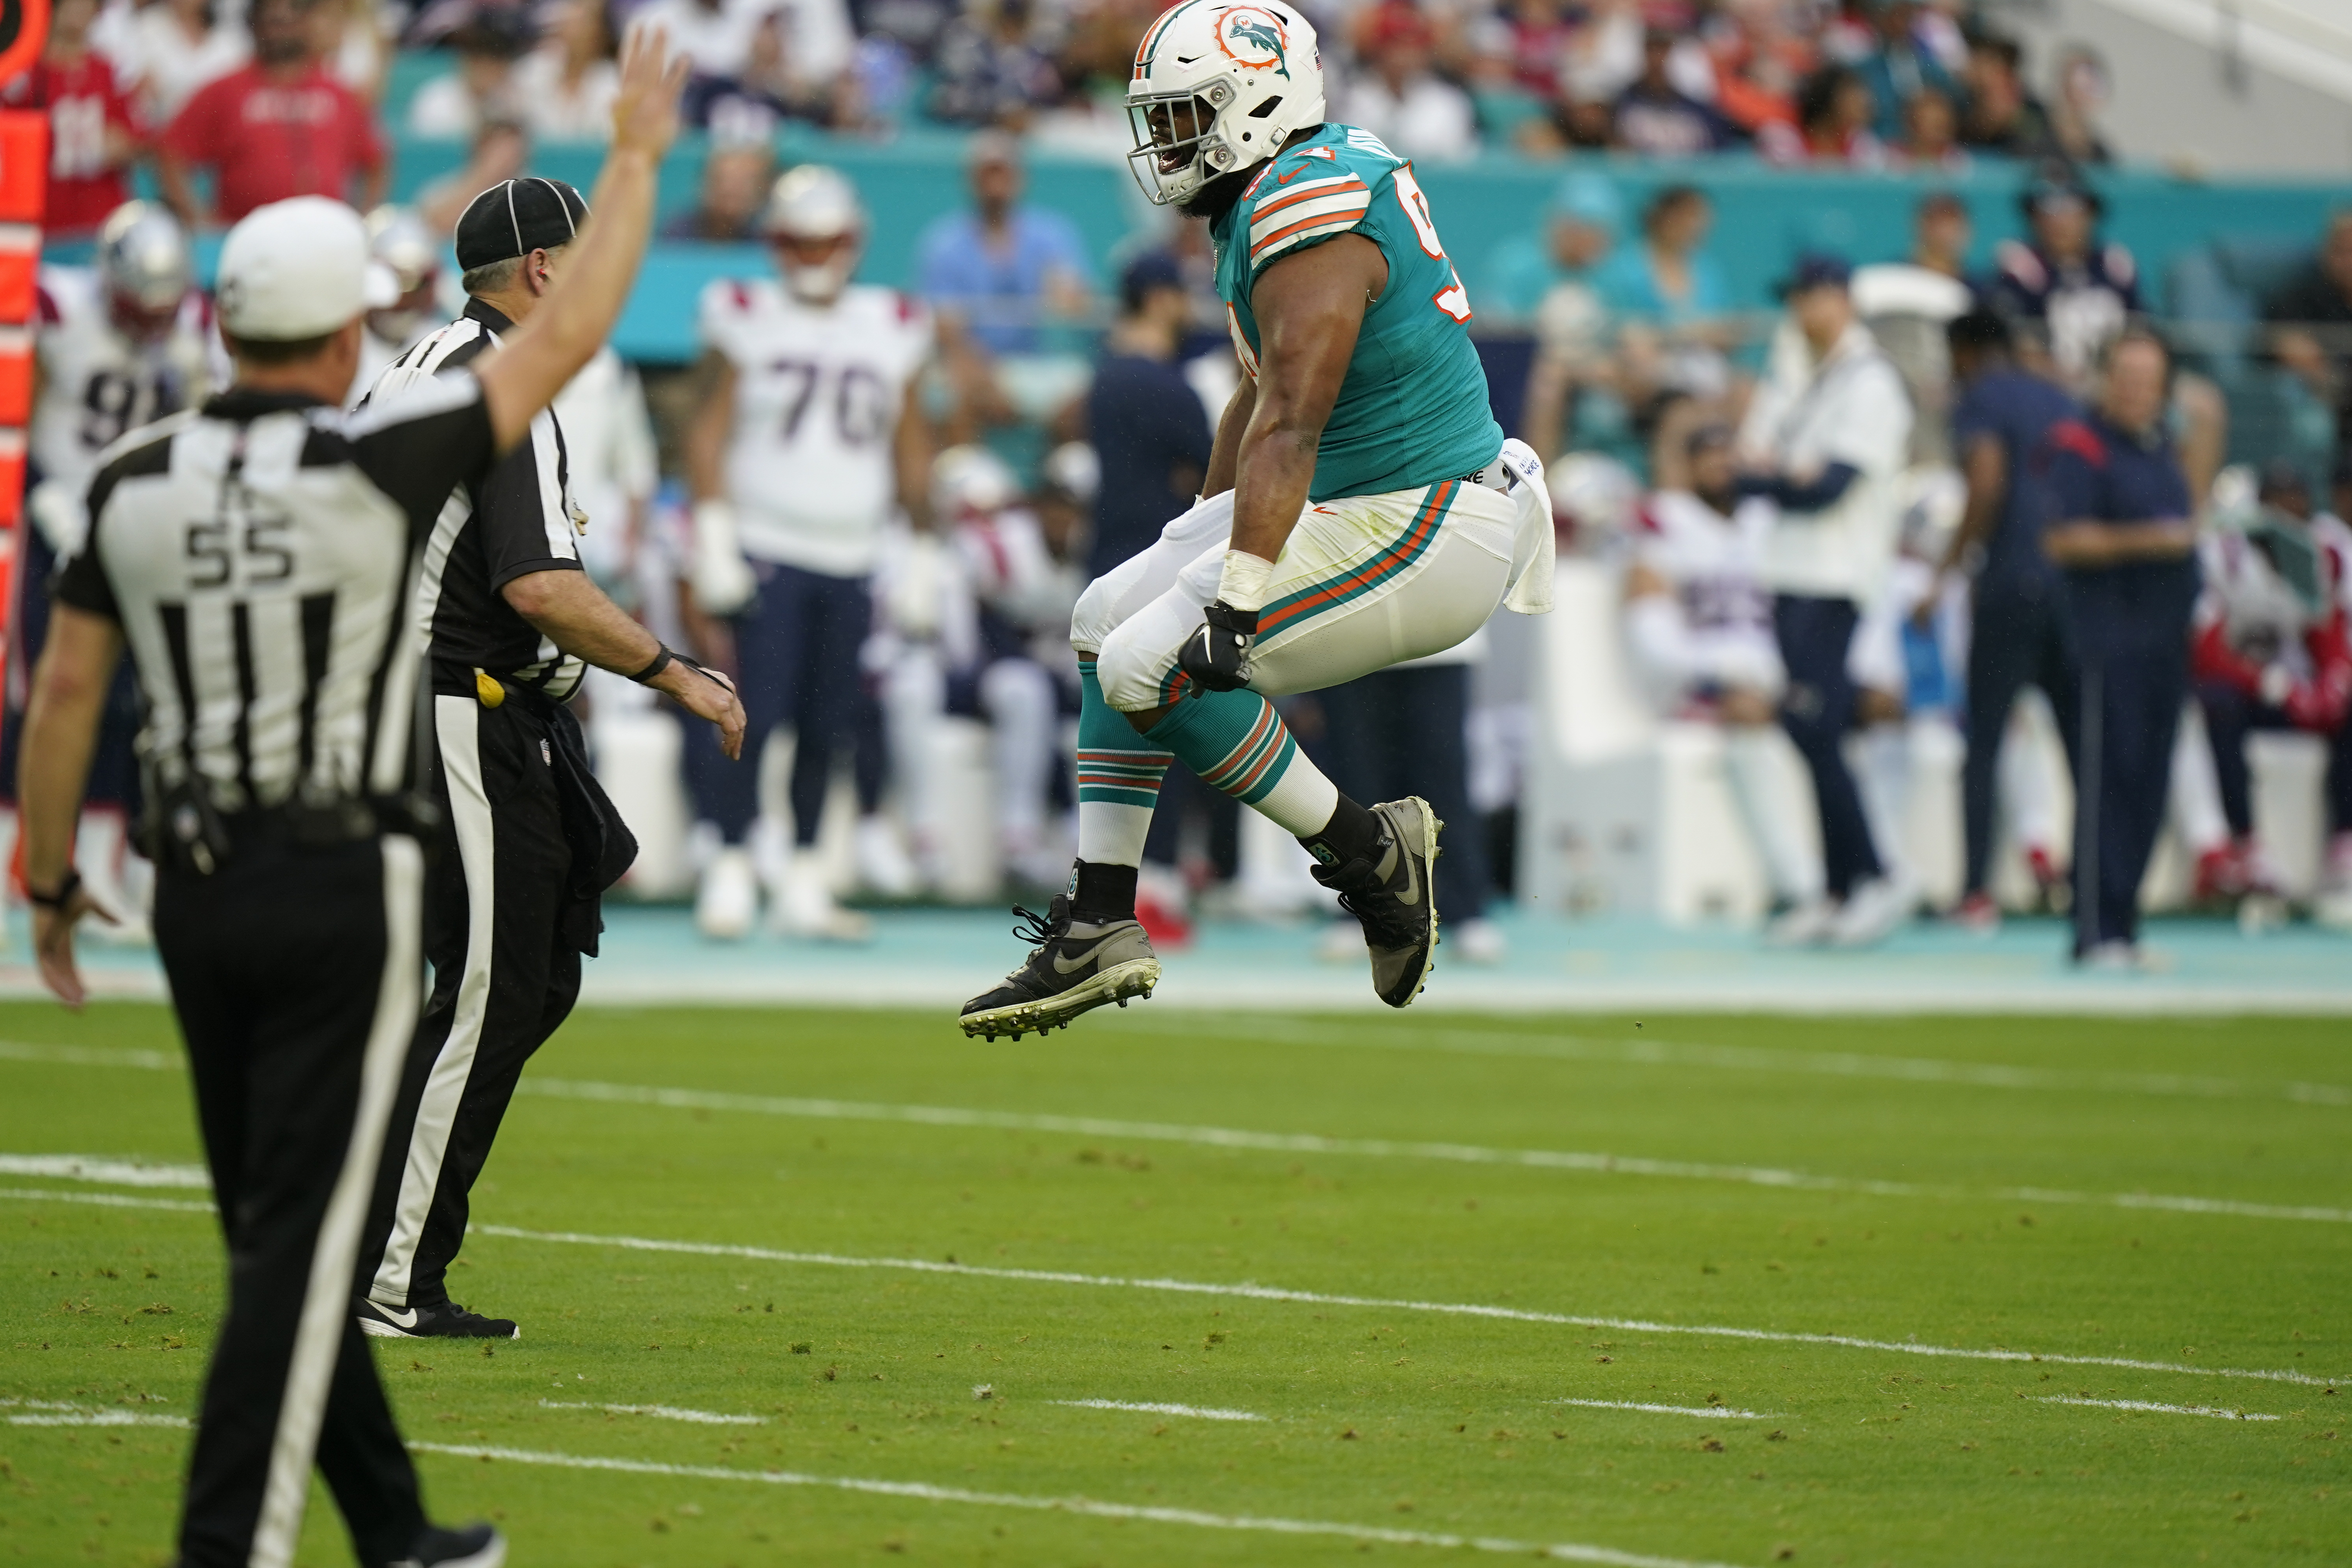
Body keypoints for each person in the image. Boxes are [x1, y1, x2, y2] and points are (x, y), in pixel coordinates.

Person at [15, 31, 689, 1564]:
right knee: (296, 1242)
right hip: (341, 866)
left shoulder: (127, 478)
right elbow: (568, 341)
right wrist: (637, 158)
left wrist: (49, 886)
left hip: (193, 885)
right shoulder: (378, 455)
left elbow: (62, 704)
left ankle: (392, 1529)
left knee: (286, 1224)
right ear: (338, 338)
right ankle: (235, 1540)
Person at [960, 0, 1553, 1037]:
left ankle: (1371, 852)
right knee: (1108, 619)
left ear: (1255, 106)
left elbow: (1293, 413)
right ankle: (1101, 918)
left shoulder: (1309, 201)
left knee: (1156, 663)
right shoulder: (1277, 189)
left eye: (1186, 117)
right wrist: (1195, 539)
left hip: (1422, 519)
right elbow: (1261, 389)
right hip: (1357, 501)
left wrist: (1234, 595)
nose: (1167, 143)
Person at [354, 175, 749, 1340]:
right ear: (540, 270)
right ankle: (387, 1268)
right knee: (489, 988)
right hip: (451, 710)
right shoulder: (501, 382)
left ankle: (368, 1220)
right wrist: (671, 668)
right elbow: (535, 583)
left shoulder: (420, 361)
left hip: (425, 704)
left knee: (522, 976)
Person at [683, 164, 933, 940]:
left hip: (853, 552)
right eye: (799, 241)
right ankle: (728, 859)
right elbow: (705, 429)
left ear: (854, 241)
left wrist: (922, 546)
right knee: (750, 713)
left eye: (826, 241)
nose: (814, 255)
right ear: (775, 243)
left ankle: (800, 871)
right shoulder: (744, 309)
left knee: (830, 724)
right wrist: (714, 534)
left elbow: (910, 442)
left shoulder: (893, 319)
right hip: (767, 545)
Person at [3, 202, 214, 941]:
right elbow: (14, 414)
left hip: (142, 527)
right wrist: (46, 499)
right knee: (42, 688)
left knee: (144, 699)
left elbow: (203, 425)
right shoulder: (61, 310)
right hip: (57, 517)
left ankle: (120, 859)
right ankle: (28, 856)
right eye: (138, 307)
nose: (151, 323)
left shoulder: (192, 325)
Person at [1735, 252, 1914, 946]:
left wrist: (1773, 479)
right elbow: (1758, 466)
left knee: (1818, 728)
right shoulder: (1802, 374)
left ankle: (1875, 875)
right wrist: (1782, 475)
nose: (1804, 311)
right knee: (1811, 733)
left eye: (1815, 296)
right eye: (1798, 298)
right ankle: (1841, 890)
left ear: (1843, 298)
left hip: (1837, 577)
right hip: (1793, 573)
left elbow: (1826, 486)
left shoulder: (1870, 383)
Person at [2040, 329, 2199, 966]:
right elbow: (2063, 540)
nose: (2138, 391)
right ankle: (2093, 928)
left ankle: (2125, 922)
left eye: (2150, 379)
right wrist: (2149, 541)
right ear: (2105, 378)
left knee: (2150, 784)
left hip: (2165, 640)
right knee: (2109, 780)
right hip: (2109, 642)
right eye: (2127, 376)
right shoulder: (2082, 447)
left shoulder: (2160, 447)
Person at [1623, 410, 1815, 916]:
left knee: (1868, 711)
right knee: (1750, 717)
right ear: (1687, 467)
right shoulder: (1667, 519)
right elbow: (1651, 638)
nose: (1721, 469)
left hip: (1774, 675)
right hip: (1697, 681)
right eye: (1707, 459)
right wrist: (1716, 672)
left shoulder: (1769, 520)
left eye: (1728, 457)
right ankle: (1799, 884)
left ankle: (1873, 872)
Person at [1938, 309, 2080, 928]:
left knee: (1987, 742)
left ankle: (1976, 891)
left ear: (1967, 351)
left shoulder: (1983, 396)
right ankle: (2095, 884)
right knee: (2082, 745)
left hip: (2009, 583)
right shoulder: (2061, 398)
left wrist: (1952, 565)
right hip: (2070, 585)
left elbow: (1987, 481)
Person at [2188, 461, 2352, 922]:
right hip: (2247, 689)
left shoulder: (2317, 557)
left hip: (2294, 691)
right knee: (2219, 707)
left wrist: (2332, 685)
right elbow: (2207, 650)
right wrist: (2269, 683)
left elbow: (2329, 634)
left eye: (2296, 511)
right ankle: (2245, 842)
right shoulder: (2227, 554)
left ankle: (2345, 843)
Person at [158, 0, 388, 227]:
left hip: (323, 233)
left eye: (289, 23)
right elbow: (171, 150)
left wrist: (361, 218)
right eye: (272, 22)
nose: (280, 32)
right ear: (254, 27)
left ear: (306, 27)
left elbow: (375, 159)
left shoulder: (337, 92)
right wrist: (197, 218)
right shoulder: (226, 90)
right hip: (245, 232)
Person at [914, 131, 1091, 358]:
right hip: (969, 373)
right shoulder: (943, 244)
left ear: (1020, 178)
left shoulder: (1053, 235)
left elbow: (1077, 305)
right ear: (971, 181)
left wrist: (1067, 298)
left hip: (1043, 366)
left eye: (1003, 174)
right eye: (987, 175)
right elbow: (943, 325)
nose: (995, 185)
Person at [1984, 163, 2139, 387]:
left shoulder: (2115, 265)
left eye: (2071, 208)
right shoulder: (2022, 267)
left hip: (2118, 384)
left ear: (2089, 214)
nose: (2060, 221)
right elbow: (2017, 343)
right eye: (2048, 210)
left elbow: (2141, 329)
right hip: (2050, 387)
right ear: (2034, 218)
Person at [2266, 211, 2352, 521]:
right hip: (2322, 399)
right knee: (2314, 426)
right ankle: (2323, 522)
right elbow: (2279, 338)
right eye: (2341, 251)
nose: (2348, 261)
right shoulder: (2305, 295)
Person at [1336, 4, 1477, 162]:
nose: (1404, 55)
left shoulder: (1449, 102)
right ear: (1379, 49)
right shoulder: (1352, 98)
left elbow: (1460, 165)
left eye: (1413, 46)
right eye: (1395, 45)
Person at [351, 204, 443, 401]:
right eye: (395, 282)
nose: (404, 301)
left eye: (416, 284)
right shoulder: (343, 347)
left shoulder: (444, 341)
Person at [406, 8, 532, 138]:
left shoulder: (513, 103)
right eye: (480, 61)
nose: (486, 70)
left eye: (494, 63)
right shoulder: (436, 100)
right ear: (465, 62)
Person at [1611, 25, 1734, 156]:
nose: (1657, 58)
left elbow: (1718, 150)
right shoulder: (1623, 101)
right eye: (1652, 50)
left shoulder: (1697, 106)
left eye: (1663, 50)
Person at [511, 0, 622, 142]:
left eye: (583, 24)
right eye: (569, 24)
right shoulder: (531, 72)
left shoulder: (613, 82)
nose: (573, 33)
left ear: (601, 35)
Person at [1852, 0, 1955, 141]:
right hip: (1881, 147)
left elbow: (1954, 99)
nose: (1900, 23)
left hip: (1924, 149)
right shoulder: (1864, 70)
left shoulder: (1930, 67)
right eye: (1895, 15)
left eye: (1907, 16)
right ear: (1881, 18)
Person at [659, 127, 773, 240]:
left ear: (762, 188)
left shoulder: (768, 237)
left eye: (743, 183)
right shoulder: (679, 233)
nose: (731, 190)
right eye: (723, 180)